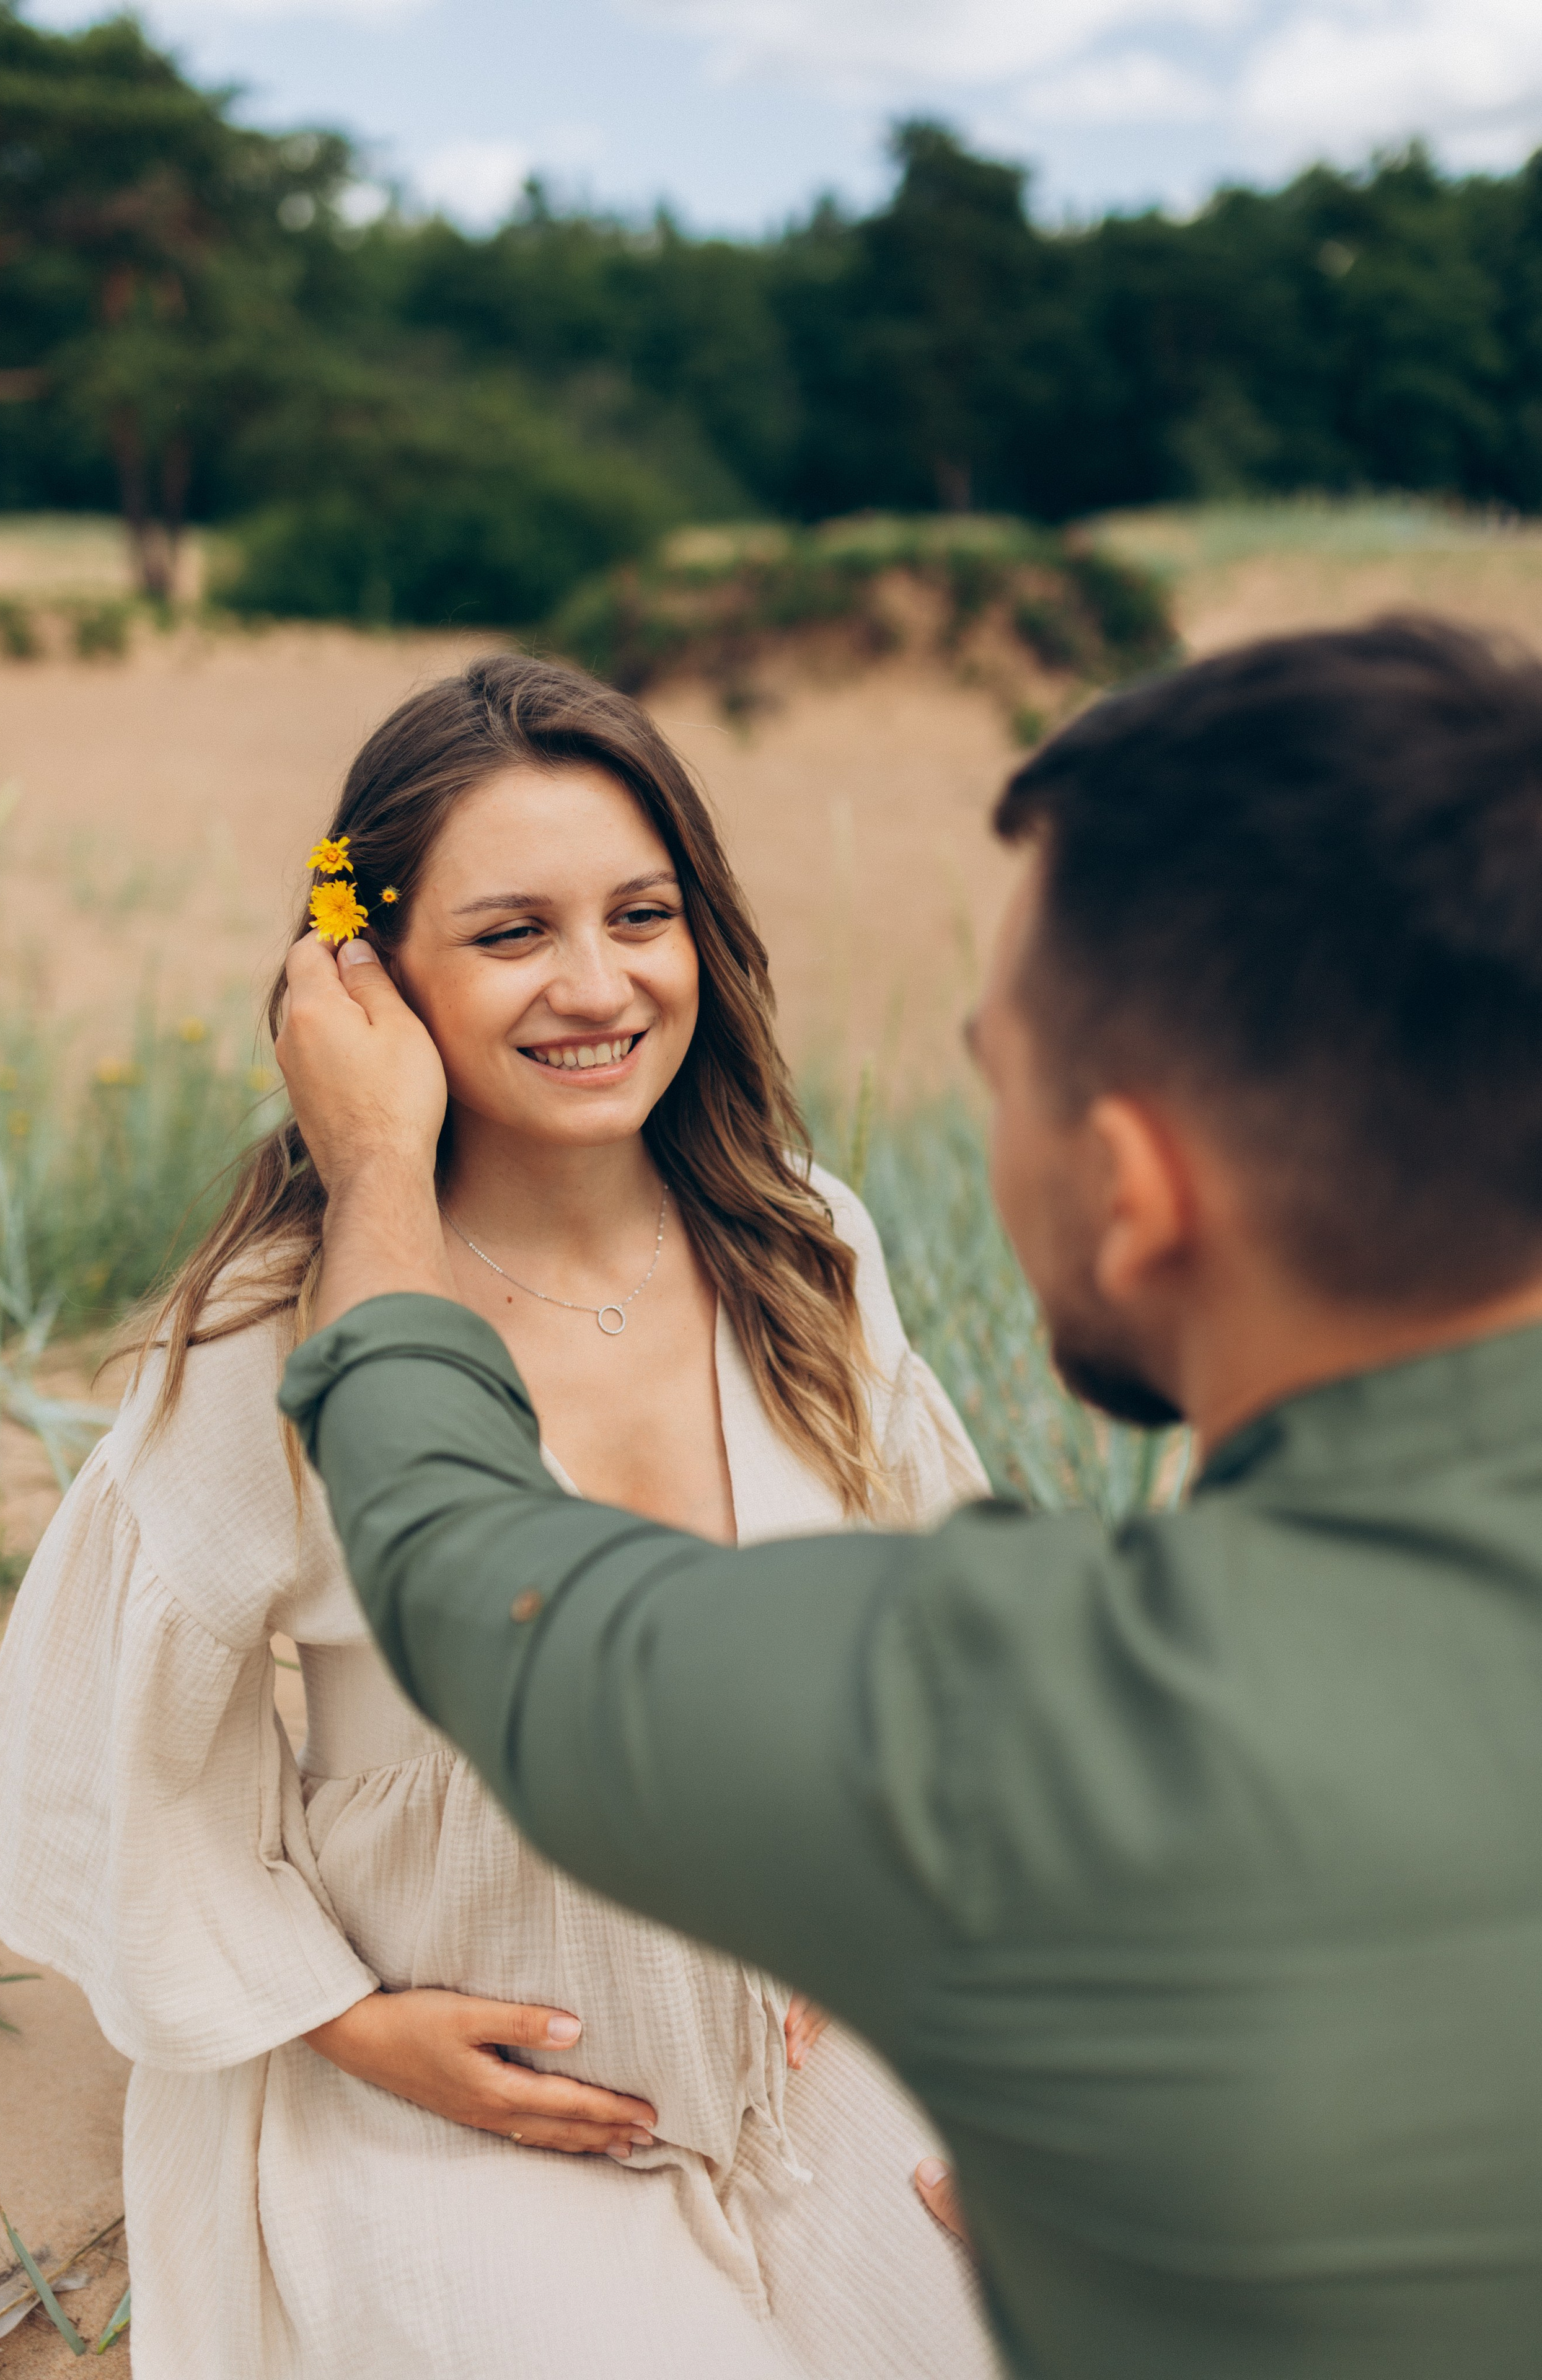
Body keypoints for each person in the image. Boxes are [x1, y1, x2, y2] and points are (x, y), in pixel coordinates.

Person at [274, 616, 1542, 2380]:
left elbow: (472, 1583)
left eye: (1002, 1073)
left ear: (1136, 1189)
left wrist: (373, 1190)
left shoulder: (1037, 1714)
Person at [0, 656, 1001, 2379]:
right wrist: (344, 2025)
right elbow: (91, 1753)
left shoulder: (804, 1243)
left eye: (641, 914)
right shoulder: (277, 1328)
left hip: (821, 2042)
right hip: (489, 2107)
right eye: (513, 933)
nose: (597, 986)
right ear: (367, 977)